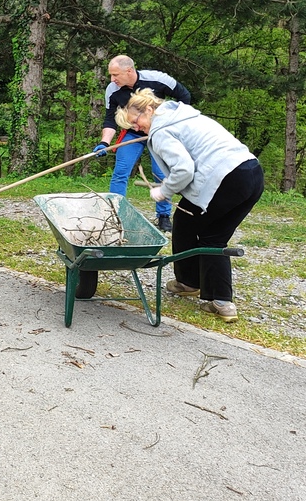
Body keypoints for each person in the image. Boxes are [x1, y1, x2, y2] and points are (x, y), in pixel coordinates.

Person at [116, 89, 264, 323]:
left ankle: (188, 282)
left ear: (150, 110)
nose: (137, 127)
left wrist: (163, 191)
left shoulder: (161, 130)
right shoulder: (184, 115)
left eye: (136, 121)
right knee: (213, 238)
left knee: (185, 221)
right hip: (252, 173)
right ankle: (223, 303)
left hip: (225, 179)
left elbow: (184, 169)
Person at [93, 55, 192, 232]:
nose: (112, 79)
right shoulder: (113, 90)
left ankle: (163, 217)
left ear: (129, 71)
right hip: (132, 134)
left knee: (160, 173)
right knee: (121, 172)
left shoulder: (158, 79)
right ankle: (115, 214)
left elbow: (185, 98)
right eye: (111, 75)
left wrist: (171, 124)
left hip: (158, 133)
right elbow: (110, 120)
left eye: (115, 75)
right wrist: (104, 142)